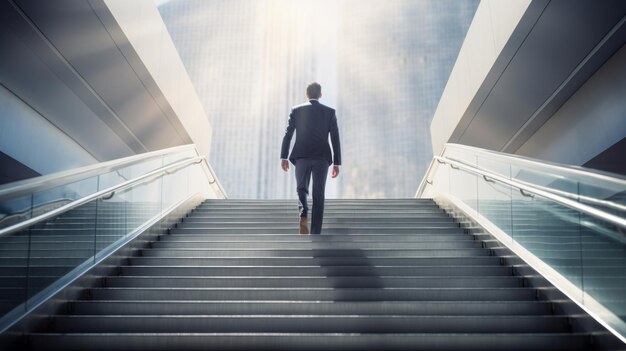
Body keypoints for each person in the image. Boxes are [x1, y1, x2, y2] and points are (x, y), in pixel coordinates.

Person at [280, 82, 341, 235]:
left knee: (301, 188)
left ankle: (303, 213)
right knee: (318, 193)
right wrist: (337, 162)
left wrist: (284, 157)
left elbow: (288, 134)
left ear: (306, 94)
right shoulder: (330, 112)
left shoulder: (296, 110)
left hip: (301, 156)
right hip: (322, 157)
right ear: (320, 95)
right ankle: (315, 232)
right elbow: (335, 138)